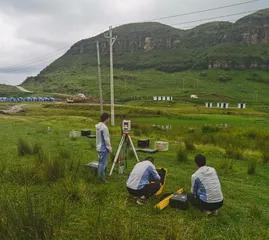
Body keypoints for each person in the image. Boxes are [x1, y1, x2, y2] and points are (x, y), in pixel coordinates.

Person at [95, 113, 112, 183]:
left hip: (98, 147)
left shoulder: (98, 126)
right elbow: (106, 139)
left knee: (100, 163)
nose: (109, 119)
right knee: (103, 164)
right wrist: (109, 148)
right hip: (103, 148)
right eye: (109, 118)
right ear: (106, 119)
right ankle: (102, 179)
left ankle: (100, 176)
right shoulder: (104, 128)